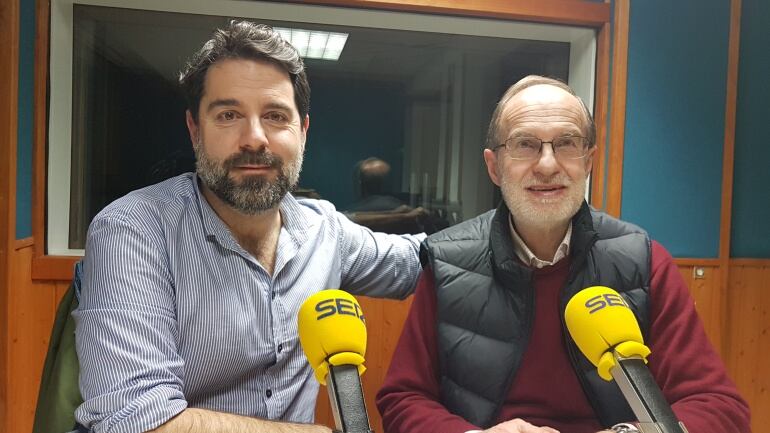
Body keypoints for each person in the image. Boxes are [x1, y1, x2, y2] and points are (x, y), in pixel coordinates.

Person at [74, 21, 424, 433]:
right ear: (195, 130)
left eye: (275, 116)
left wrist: (515, 211)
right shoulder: (133, 231)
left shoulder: (325, 230)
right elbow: (134, 419)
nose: (254, 138)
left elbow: (424, 260)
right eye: (228, 114)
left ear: (303, 131)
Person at [375, 76, 750, 433]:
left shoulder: (645, 262)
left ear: (588, 161)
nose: (548, 164)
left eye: (568, 143)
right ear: (494, 166)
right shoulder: (446, 263)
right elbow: (403, 398)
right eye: (525, 144)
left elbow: (719, 407)